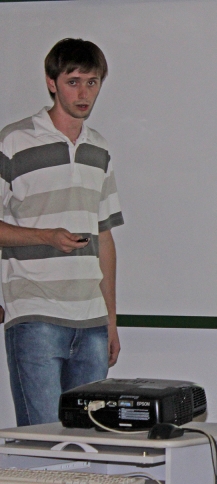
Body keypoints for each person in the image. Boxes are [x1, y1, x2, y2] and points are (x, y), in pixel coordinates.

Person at [0, 38, 123, 426]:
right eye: (73, 82)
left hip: (91, 322)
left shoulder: (99, 149)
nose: (84, 93)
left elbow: (104, 238)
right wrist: (45, 236)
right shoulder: (14, 141)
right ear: (51, 82)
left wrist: (111, 320)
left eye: (92, 82)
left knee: (91, 441)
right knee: (43, 438)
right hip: (35, 314)